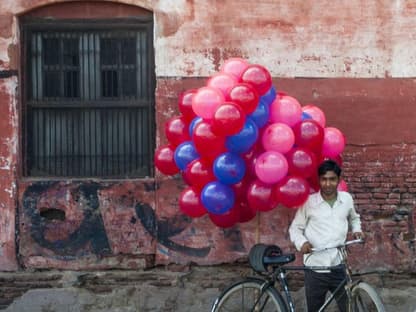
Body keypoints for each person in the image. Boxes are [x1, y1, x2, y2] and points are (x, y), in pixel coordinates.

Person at [289, 160, 364, 312]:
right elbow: (295, 228)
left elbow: (354, 218)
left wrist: (357, 229)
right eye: (324, 179)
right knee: (316, 309)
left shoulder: (346, 199)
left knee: (348, 307)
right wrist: (302, 243)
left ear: (339, 180)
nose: (328, 183)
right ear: (319, 180)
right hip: (315, 267)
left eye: (332, 179)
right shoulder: (309, 202)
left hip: (339, 265)